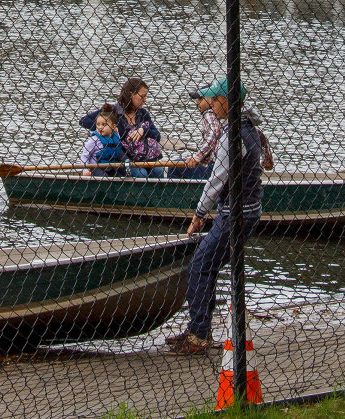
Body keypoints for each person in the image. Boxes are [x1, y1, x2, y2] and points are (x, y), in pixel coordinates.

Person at [168, 77, 264, 354]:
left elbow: (217, 178)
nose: (210, 103)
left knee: (199, 266)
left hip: (236, 213)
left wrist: (199, 213)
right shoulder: (249, 129)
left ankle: (198, 336)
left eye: (214, 99)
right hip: (246, 211)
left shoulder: (232, 134)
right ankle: (199, 329)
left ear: (224, 101)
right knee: (207, 266)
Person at [172, 81, 274, 180]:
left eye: (200, 98)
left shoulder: (209, 114)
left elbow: (214, 131)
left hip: (215, 167)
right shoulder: (242, 117)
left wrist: (198, 156)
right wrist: (267, 156)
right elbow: (258, 133)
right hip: (237, 169)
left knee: (174, 167)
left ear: (212, 98)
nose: (197, 102)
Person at [79, 77, 165, 178]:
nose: (145, 100)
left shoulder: (143, 114)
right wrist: (108, 128)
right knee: (141, 174)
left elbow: (157, 136)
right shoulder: (112, 111)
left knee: (158, 170)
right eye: (142, 96)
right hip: (123, 159)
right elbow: (84, 121)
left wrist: (143, 130)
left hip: (144, 157)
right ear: (131, 94)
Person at [81, 104, 128, 176]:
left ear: (113, 126)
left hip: (111, 167)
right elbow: (84, 156)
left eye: (104, 124)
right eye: (98, 124)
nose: (100, 127)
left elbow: (118, 151)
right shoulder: (94, 140)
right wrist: (85, 169)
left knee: (122, 176)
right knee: (104, 177)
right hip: (96, 167)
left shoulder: (116, 136)